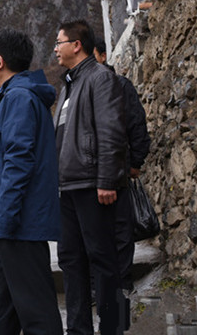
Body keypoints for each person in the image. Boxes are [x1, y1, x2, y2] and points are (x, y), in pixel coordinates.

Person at [0, 30, 64, 335]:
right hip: (13, 223)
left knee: (37, 311)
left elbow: (18, 161)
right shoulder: (16, 96)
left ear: (0, 62)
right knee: (4, 309)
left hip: (18, 224)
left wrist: (5, 217)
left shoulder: (18, 98)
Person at [54, 21, 129, 335]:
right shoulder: (68, 85)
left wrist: (107, 180)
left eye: (59, 42)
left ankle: (113, 327)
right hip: (68, 186)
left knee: (103, 259)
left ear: (76, 45)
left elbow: (112, 131)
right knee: (71, 260)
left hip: (92, 184)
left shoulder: (100, 78)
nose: (55, 49)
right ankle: (78, 329)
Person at [94, 38, 151, 294]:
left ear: (103, 56)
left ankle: (122, 282)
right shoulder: (78, 88)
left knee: (120, 229)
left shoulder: (120, 86)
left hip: (118, 169)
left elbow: (137, 125)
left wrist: (135, 161)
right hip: (88, 173)